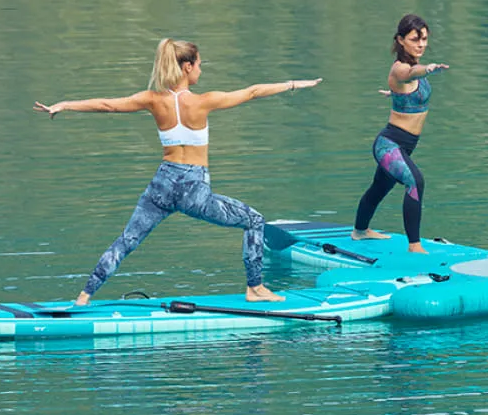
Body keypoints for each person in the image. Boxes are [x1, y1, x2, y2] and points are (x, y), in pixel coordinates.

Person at [33, 38, 321, 305]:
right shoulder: (202, 101)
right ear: (187, 66)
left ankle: (84, 296)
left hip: (162, 185)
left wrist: (65, 105)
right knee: (254, 221)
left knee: (126, 241)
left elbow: (108, 105)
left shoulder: (152, 99)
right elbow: (253, 92)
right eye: (199, 64)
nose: (200, 70)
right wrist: (295, 84)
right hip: (194, 191)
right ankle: (255, 288)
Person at [352, 14, 448, 252]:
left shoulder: (410, 69)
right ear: (401, 40)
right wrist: (429, 68)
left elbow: (406, 89)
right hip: (389, 145)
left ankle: (360, 231)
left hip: (405, 146)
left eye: (424, 39)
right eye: (415, 39)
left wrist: (393, 95)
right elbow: (408, 76)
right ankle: (414, 245)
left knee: (379, 187)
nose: (422, 44)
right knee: (415, 182)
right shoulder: (401, 69)